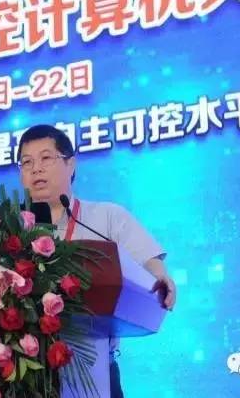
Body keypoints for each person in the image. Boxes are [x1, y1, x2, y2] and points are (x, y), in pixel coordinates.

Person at [16, 124, 177, 398]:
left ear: (71, 165)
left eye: (46, 158)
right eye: (27, 162)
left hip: (96, 369)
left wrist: (160, 275)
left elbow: (147, 262)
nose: (36, 169)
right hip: (25, 376)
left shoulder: (105, 217)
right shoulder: (10, 230)